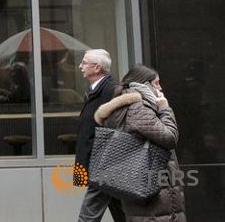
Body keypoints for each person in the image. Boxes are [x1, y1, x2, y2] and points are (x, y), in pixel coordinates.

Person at [94, 64, 186, 222]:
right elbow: (169, 138)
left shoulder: (129, 107)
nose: (160, 87)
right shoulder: (137, 109)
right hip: (154, 194)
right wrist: (165, 109)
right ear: (144, 84)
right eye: (156, 83)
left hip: (146, 190)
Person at [75, 49, 126, 222]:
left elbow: (118, 128)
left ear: (96, 68)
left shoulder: (111, 91)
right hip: (102, 163)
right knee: (121, 212)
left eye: (84, 62)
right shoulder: (95, 90)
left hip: (104, 165)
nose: (80, 66)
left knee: (88, 216)